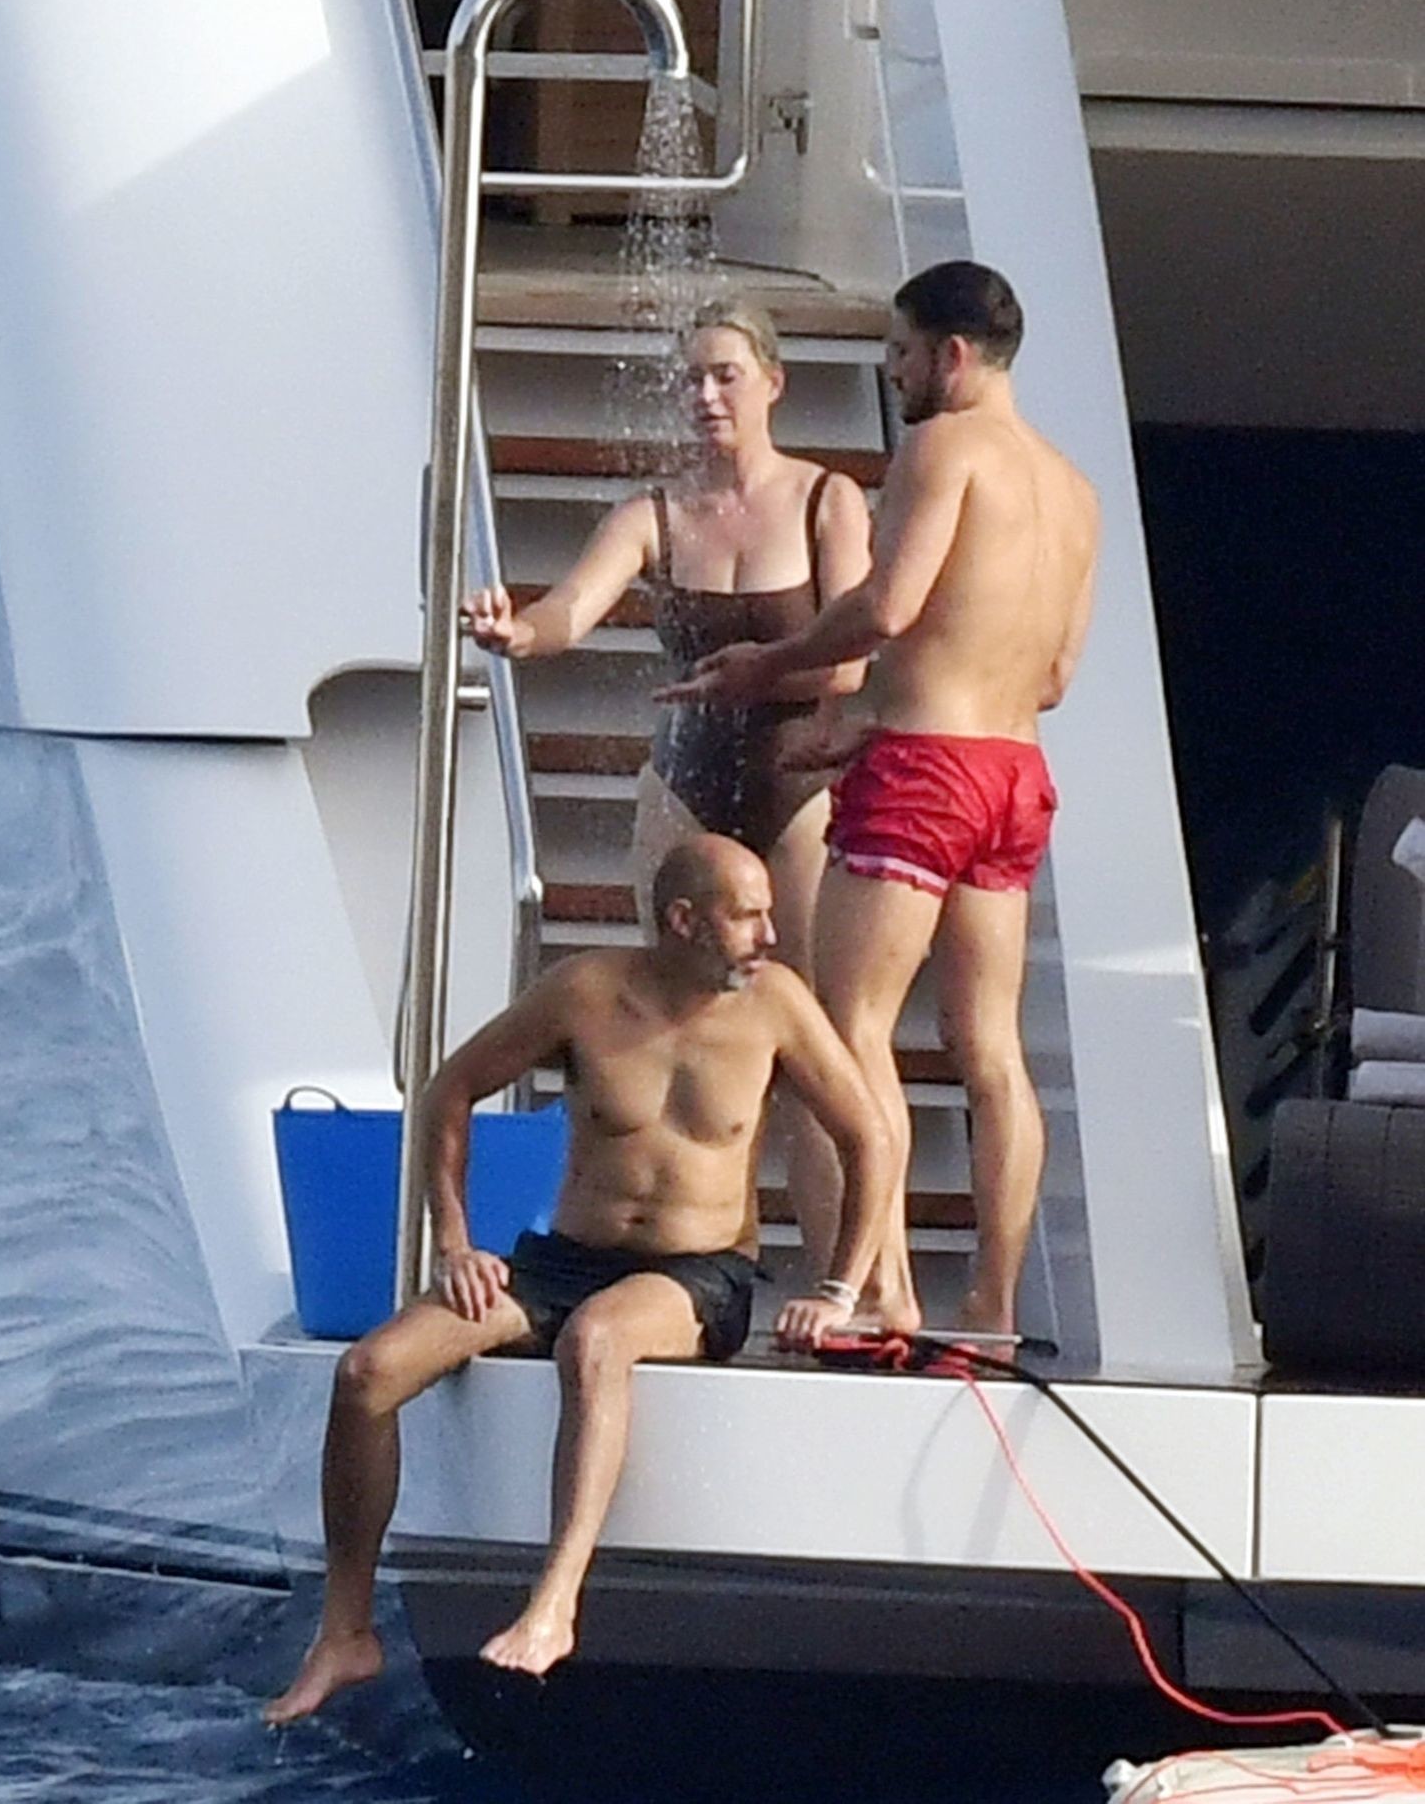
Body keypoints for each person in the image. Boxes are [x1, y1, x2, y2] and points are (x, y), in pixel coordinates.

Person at [264, 835, 892, 1722]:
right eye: (748, 916)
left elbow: (870, 1138)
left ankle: (555, 1601)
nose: (770, 934)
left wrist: (838, 1293)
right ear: (684, 921)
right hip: (560, 1261)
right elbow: (449, 1089)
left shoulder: (777, 1005)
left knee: (598, 1340)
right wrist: (456, 1242)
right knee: (367, 1373)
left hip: (699, 1273)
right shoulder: (586, 992)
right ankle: (346, 1632)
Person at [658, 261, 1100, 1340]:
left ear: (951, 355)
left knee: (850, 1025)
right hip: (1013, 774)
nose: (892, 372)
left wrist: (771, 664)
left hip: (926, 776)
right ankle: (992, 1303)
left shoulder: (942, 448)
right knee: (990, 1050)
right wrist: (885, 720)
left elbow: (887, 606)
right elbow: (1051, 677)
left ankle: (884, 1289)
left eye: (899, 352)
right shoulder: (1072, 487)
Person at [466, 306, 874, 1273]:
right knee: (679, 1014)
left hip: (794, 784)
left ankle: (838, 1278)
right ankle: (695, 1253)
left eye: (725, 375)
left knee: (804, 1033)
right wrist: (518, 633)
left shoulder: (826, 500)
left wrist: (759, 674)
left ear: (773, 382)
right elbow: (572, 608)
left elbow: (853, 658)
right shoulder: (653, 513)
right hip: (686, 784)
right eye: (691, 378)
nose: (706, 395)